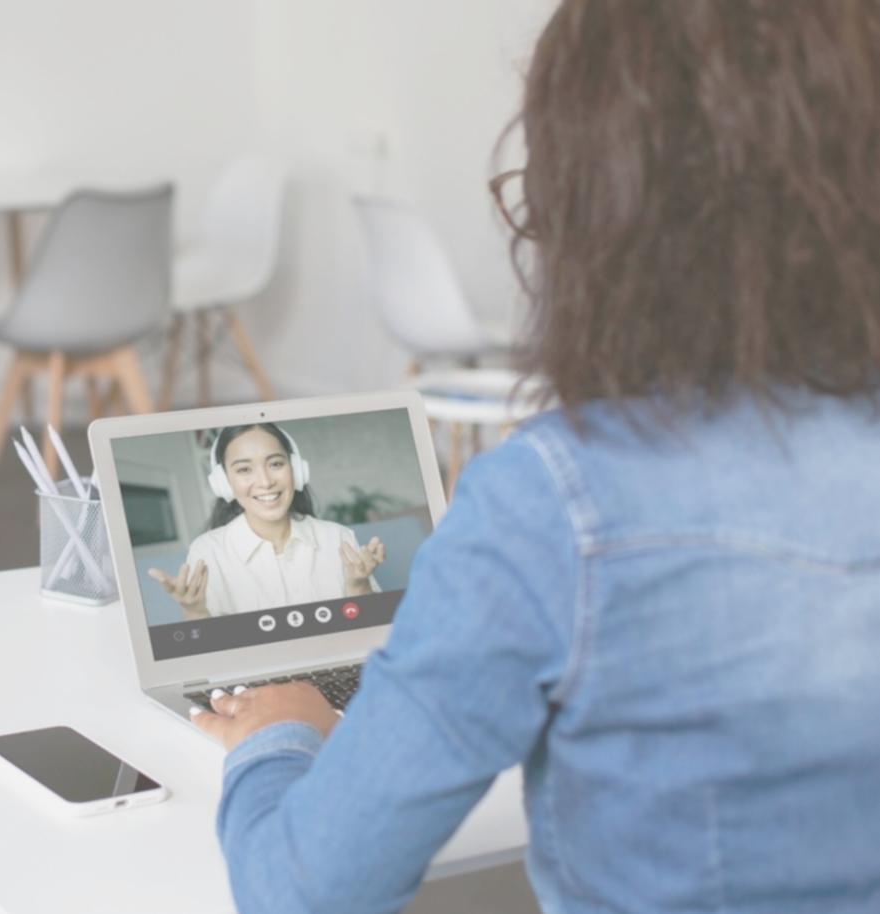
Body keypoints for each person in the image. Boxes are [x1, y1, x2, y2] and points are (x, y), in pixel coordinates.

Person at [181, 2, 880, 912]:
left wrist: (275, 738)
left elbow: (306, 891)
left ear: (596, 201)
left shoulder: (563, 502)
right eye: (246, 470)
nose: (265, 479)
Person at [148, 423, 385, 619]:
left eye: (275, 464)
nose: (265, 481)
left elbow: (369, 629)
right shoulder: (208, 551)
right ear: (223, 482)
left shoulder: (338, 537)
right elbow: (207, 655)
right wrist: (194, 610)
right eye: (244, 470)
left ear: (296, 471)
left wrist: (358, 585)